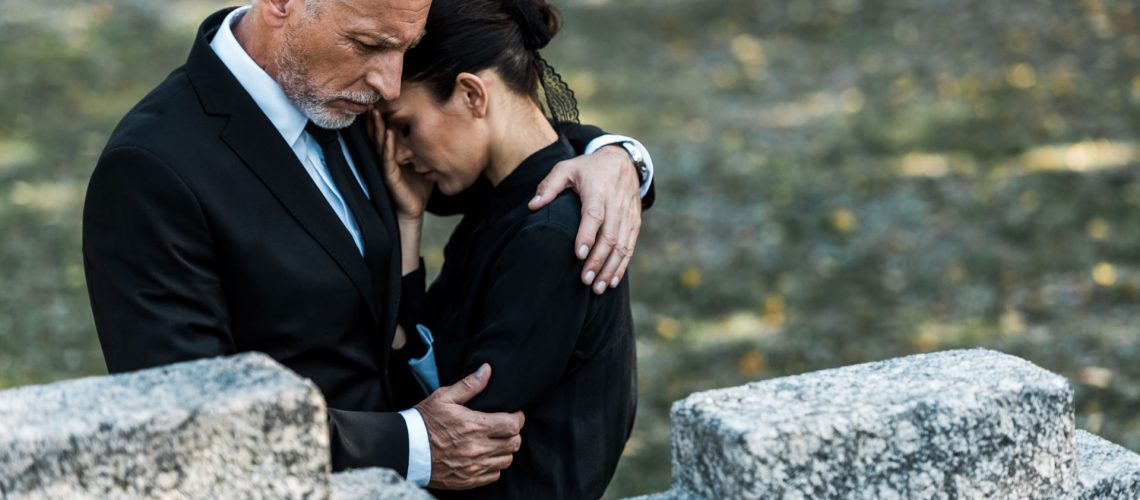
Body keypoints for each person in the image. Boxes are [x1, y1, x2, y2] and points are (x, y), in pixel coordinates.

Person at [81, 0, 654, 491]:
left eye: (404, 47)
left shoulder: (349, 90)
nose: (390, 83)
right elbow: (190, 426)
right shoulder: (152, 171)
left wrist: (616, 158)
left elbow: (504, 140)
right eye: (369, 43)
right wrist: (413, 444)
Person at [374, 0, 636, 497]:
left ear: (473, 94)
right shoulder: (502, 193)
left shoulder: (552, 236)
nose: (402, 153)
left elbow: (454, 426)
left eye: (405, 126)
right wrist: (408, 224)